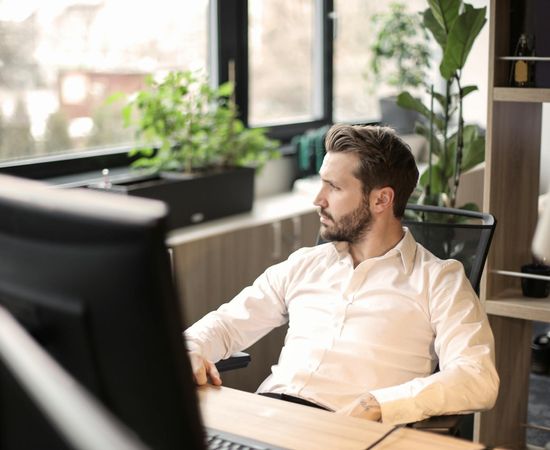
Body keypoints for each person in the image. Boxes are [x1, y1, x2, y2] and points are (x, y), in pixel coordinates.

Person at [184, 124, 499, 425]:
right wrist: (193, 348)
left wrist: (379, 404)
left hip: (344, 431)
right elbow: (226, 325)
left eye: (333, 187)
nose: (318, 199)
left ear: (381, 199)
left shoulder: (439, 281)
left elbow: (477, 376)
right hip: (268, 417)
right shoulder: (305, 264)